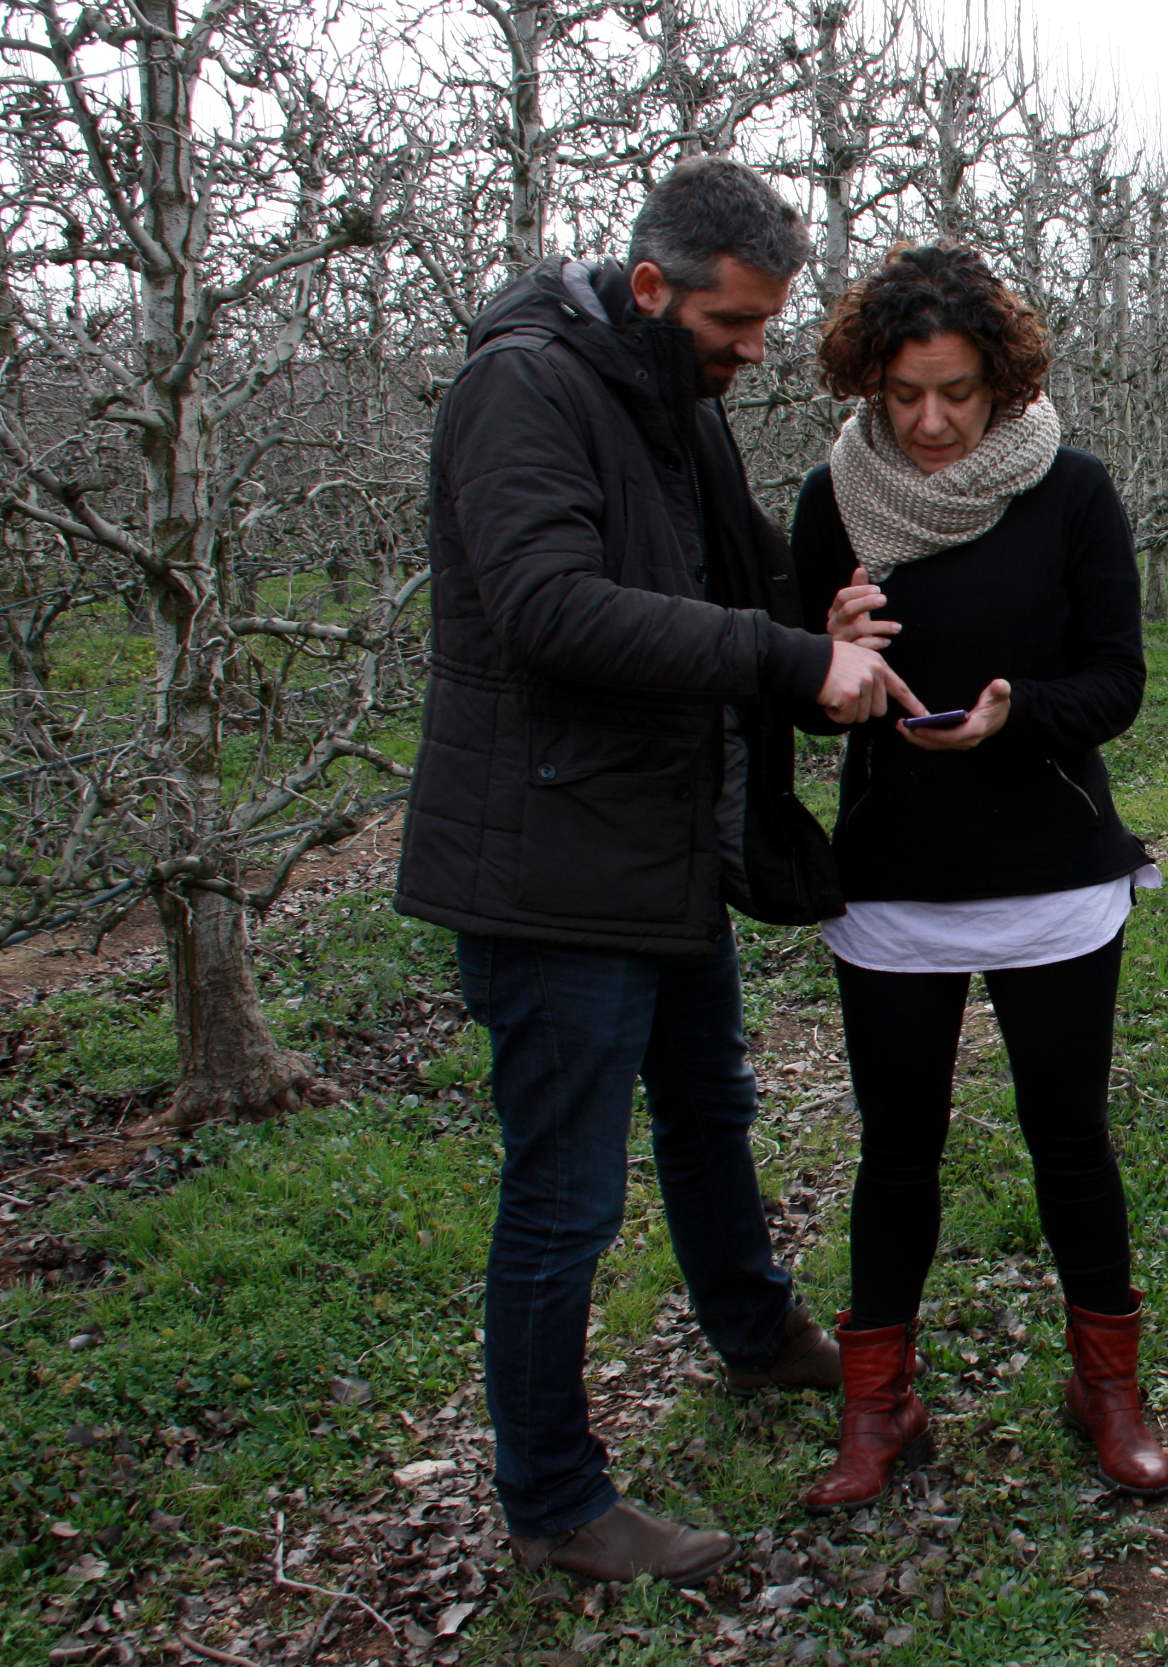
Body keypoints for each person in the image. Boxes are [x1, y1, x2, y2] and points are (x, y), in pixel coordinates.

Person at [395, 157, 914, 1583]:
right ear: (648, 288)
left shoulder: (667, 400)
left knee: (708, 1100)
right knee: (565, 1193)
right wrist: (786, 657)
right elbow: (553, 608)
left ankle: (753, 1334)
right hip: (548, 859)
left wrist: (823, 614)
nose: (754, 353)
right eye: (736, 325)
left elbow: (734, 577)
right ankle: (557, 1499)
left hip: (654, 838)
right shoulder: (524, 390)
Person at [787, 243, 1168, 1511]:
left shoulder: (1069, 493)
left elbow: (1115, 681)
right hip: (893, 879)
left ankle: (1104, 1388)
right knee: (898, 1148)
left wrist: (1018, 718)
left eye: (956, 390)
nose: (933, 420)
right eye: (904, 394)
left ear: (1001, 382)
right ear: (870, 385)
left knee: (1069, 1135)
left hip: (1050, 873)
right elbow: (807, 704)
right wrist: (826, 660)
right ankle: (876, 1403)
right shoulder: (828, 507)